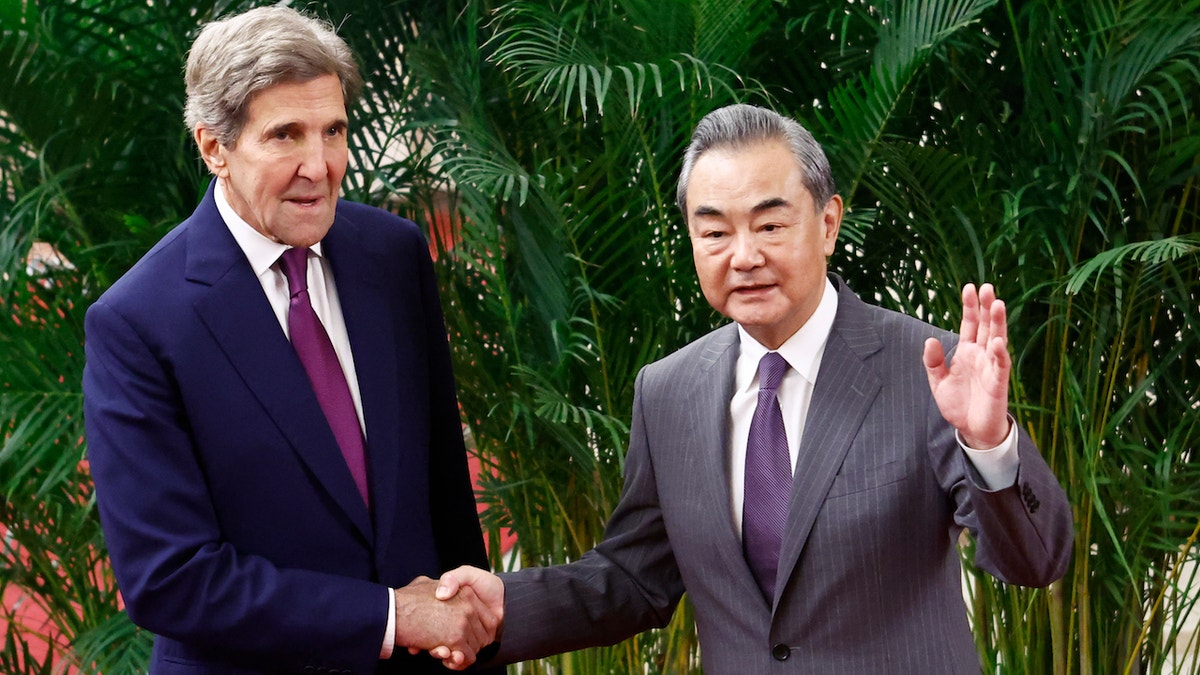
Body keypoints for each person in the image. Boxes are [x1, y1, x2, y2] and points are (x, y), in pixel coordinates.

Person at [437, 103, 1073, 672]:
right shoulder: (668, 392)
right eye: (714, 232)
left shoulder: (928, 367)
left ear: (827, 224)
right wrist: (503, 607)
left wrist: (988, 443)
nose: (742, 256)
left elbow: (1033, 562)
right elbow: (636, 578)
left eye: (770, 226)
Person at [82, 6, 500, 673]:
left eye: (333, 131)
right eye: (286, 135)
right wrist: (390, 615)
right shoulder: (137, 323)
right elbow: (171, 578)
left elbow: (446, 496)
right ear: (213, 146)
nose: (321, 165)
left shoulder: (392, 256)